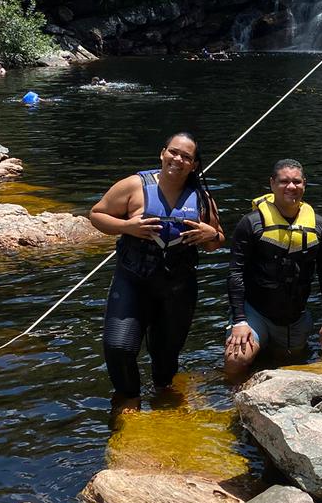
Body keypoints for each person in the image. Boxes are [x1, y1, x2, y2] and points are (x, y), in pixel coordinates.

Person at [89, 132, 224, 399]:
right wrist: (126, 226)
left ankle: (163, 396)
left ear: (194, 165)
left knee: (166, 355)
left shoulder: (201, 198)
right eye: (173, 152)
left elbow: (216, 241)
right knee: (119, 347)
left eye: (186, 156)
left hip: (178, 285)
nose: (178, 159)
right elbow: (96, 215)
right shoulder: (133, 186)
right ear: (162, 153)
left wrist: (212, 236)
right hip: (133, 279)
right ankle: (128, 400)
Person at [224, 158, 322, 377]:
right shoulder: (251, 223)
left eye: (297, 182)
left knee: (292, 366)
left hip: (295, 318)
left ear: (304, 184)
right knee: (237, 358)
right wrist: (239, 321)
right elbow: (235, 273)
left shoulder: (319, 226)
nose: (291, 187)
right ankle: (231, 405)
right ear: (272, 184)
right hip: (256, 312)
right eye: (284, 181)